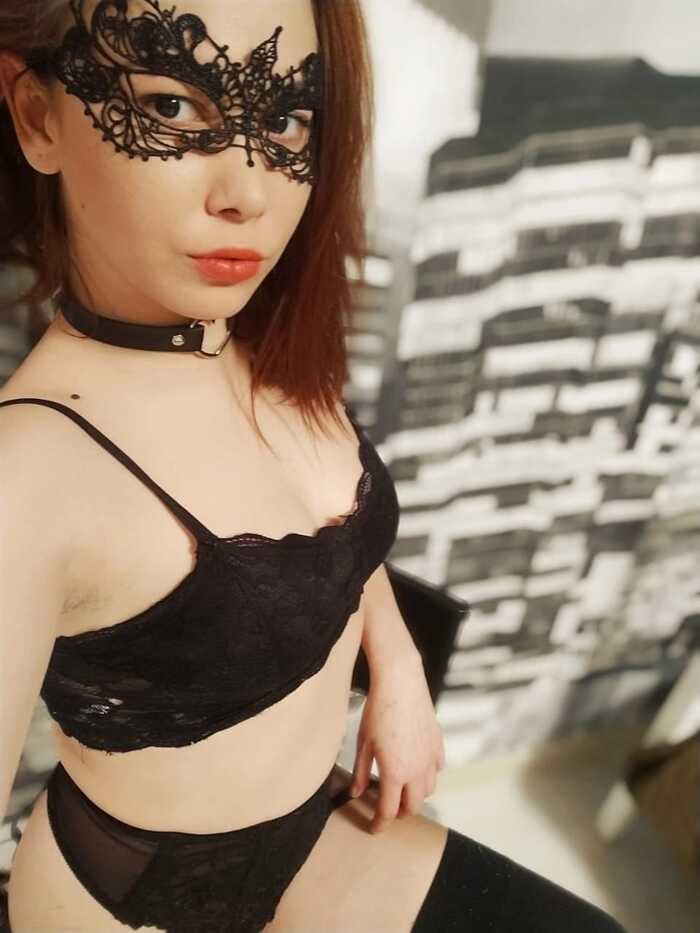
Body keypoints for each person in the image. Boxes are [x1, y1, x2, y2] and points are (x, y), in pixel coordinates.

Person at [0, 1, 628, 930]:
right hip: (127, 898)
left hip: (311, 830)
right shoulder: (29, 475)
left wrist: (398, 667)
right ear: (37, 117)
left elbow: (333, 539)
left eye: (288, 120)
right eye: (172, 108)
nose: (247, 193)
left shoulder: (261, 345)